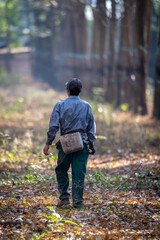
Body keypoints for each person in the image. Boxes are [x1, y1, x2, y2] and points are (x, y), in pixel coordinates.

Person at [43, 78, 96, 208]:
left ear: (67, 90)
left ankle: (64, 199)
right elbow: (90, 128)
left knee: (61, 169)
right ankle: (78, 202)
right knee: (79, 173)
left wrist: (48, 143)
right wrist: (91, 144)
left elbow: (54, 126)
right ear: (80, 91)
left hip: (65, 144)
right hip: (81, 144)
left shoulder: (60, 105)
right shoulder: (87, 106)